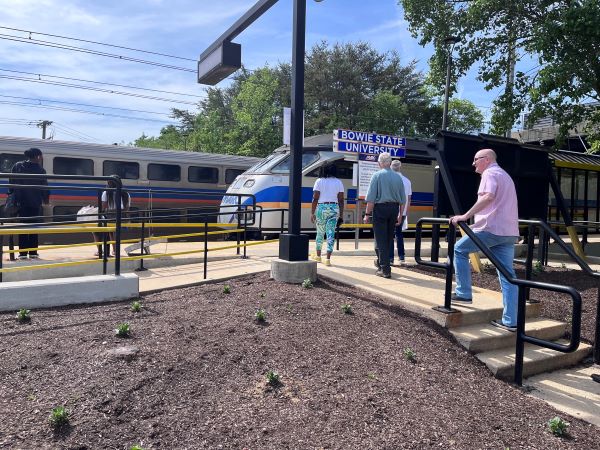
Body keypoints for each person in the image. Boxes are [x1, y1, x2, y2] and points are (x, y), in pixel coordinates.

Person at [449, 148, 519, 332]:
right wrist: (475, 225)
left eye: (475, 159)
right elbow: (498, 206)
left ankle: (464, 293)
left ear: (486, 159)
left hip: (492, 230)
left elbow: (488, 197)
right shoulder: (504, 175)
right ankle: (511, 321)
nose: (473, 164)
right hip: (508, 232)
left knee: (459, 249)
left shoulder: (489, 173)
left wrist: (465, 216)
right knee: (508, 276)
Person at [363, 152, 405, 278]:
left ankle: (385, 269)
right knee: (387, 238)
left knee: (380, 239)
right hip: (394, 209)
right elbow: (403, 200)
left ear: (380, 163)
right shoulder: (398, 177)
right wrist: (400, 215)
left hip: (380, 209)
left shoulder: (377, 175)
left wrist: (366, 214)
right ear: (390, 163)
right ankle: (381, 263)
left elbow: (371, 199)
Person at [9, 147, 49, 260]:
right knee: (33, 227)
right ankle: (33, 252)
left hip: (20, 201)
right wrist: (46, 200)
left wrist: (12, 196)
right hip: (34, 202)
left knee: (22, 226)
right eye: (41, 155)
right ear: (37, 156)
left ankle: (22, 254)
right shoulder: (40, 170)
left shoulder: (17, 166)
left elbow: (11, 182)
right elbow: (44, 187)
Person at [310, 164, 344, 266]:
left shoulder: (319, 181)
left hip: (321, 208)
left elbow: (315, 198)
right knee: (330, 233)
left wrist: (312, 213)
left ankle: (319, 256)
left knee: (320, 233)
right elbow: (341, 200)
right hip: (334, 208)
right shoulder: (338, 182)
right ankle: (328, 259)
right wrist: (341, 215)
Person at [95, 179, 130, 257]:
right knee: (113, 231)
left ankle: (100, 251)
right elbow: (127, 207)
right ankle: (115, 250)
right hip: (123, 217)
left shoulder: (106, 192)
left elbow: (103, 207)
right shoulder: (126, 193)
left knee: (96, 231)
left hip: (110, 217)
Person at [389, 159, 412, 266]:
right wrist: (406, 212)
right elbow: (409, 198)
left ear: (391, 167)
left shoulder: (390, 179)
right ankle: (401, 257)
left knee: (390, 235)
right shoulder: (407, 181)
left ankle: (390, 258)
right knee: (399, 234)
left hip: (392, 210)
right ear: (400, 167)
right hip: (402, 212)